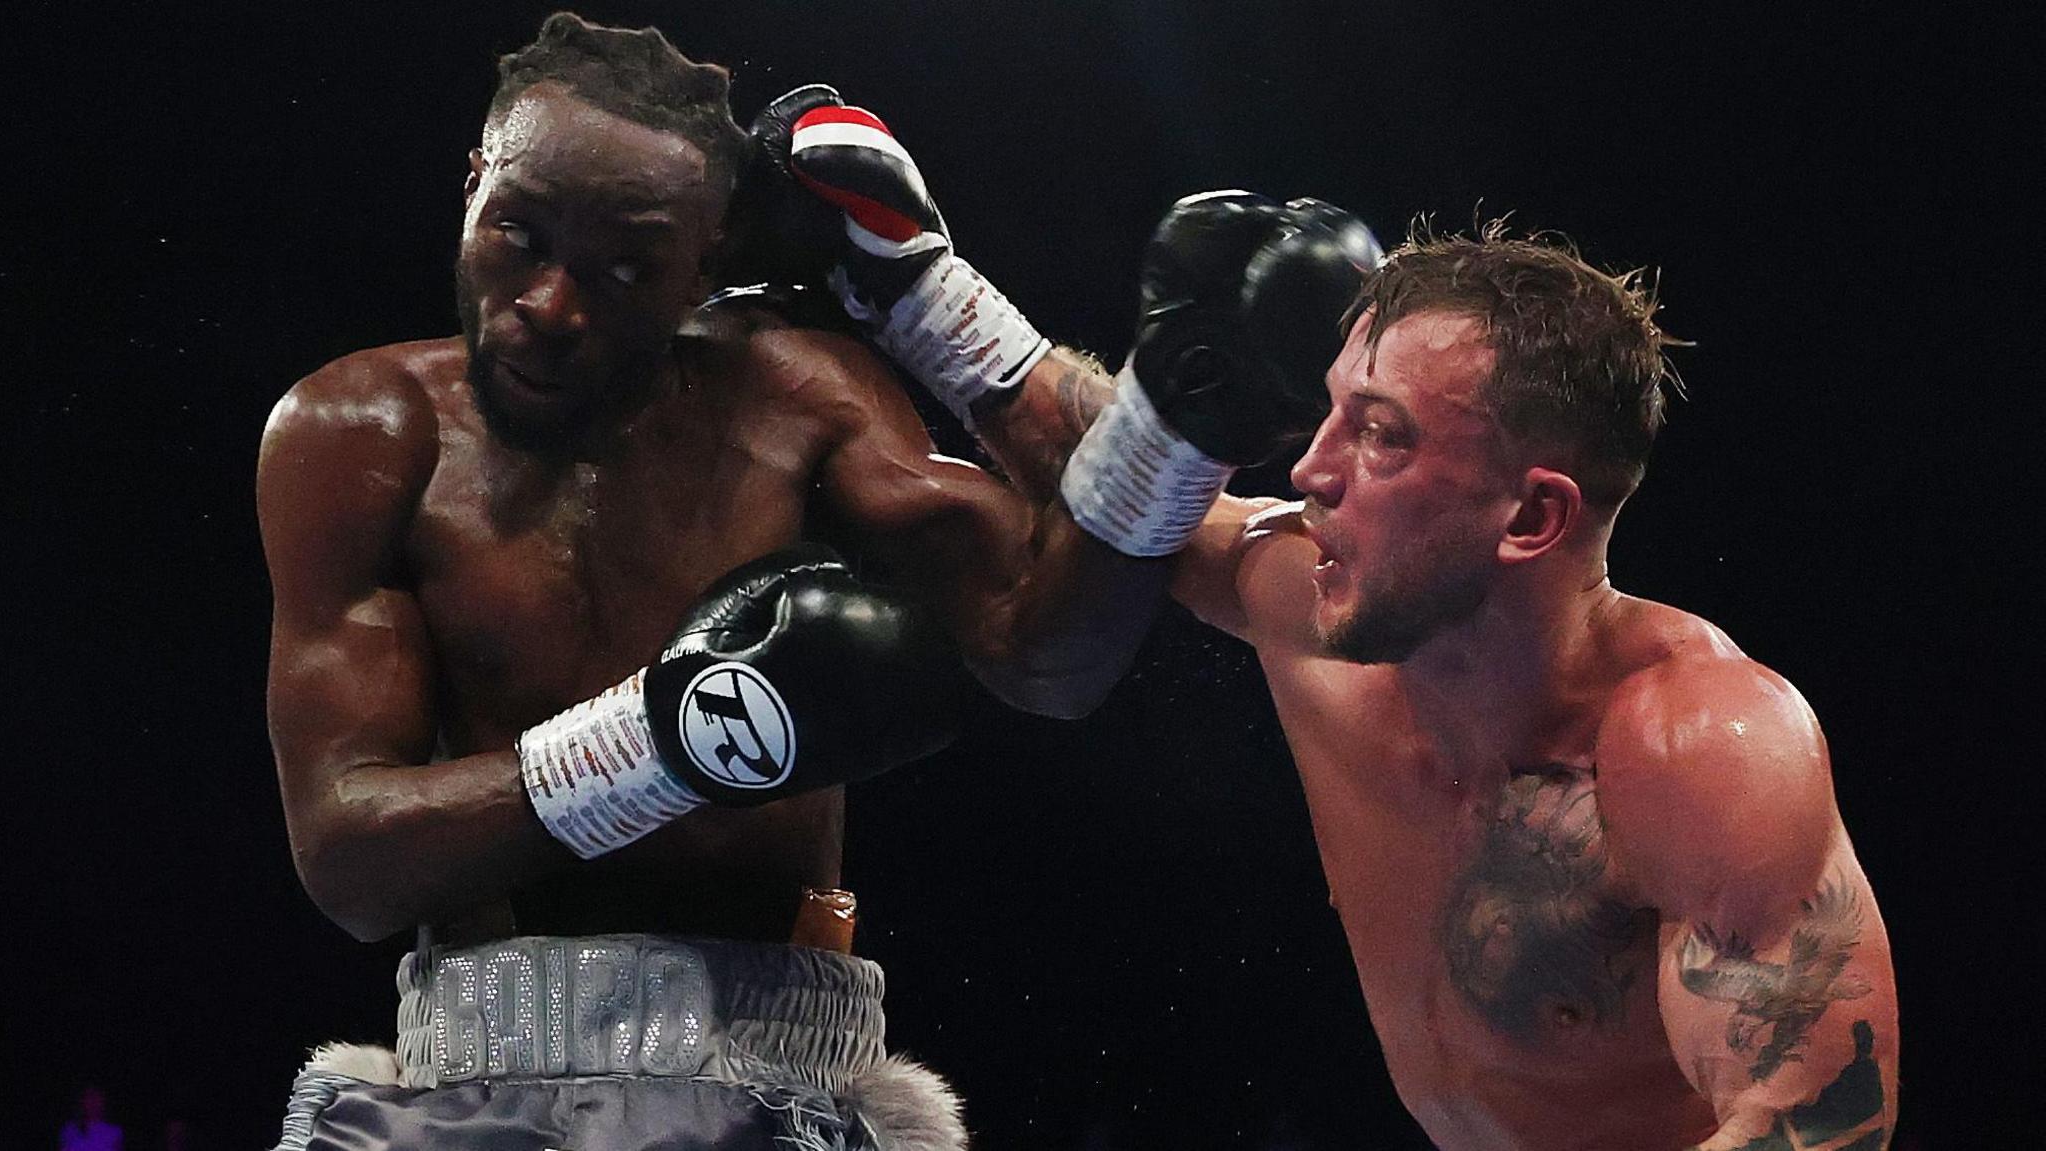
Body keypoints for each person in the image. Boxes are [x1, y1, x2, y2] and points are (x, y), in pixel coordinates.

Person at [769, 93, 1901, 1149]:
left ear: (1529, 514)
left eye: (1380, 432)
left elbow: (1812, 1120)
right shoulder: (1317, 614)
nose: (1308, 468)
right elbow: (1128, 486)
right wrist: (917, 281)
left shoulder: (1694, 751)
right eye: (1329, 414)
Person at [255, 15, 1181, 1150]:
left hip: (779, 1072)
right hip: (473, 1082)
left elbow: (1048, 654)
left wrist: (1179, 434)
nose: (549, 303)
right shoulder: (363, 429)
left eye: (623, 266)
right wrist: (664, 743)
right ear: (471, 188)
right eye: (519, 234)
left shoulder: (793, 399)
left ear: (708, 260)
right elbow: (348, 857)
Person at [57, 1086, 122, 1151]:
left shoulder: (114, 1131)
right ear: (82, 1102)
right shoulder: (70, 1129)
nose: (93, 1102)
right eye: (89, 1097)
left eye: (96, 1097)